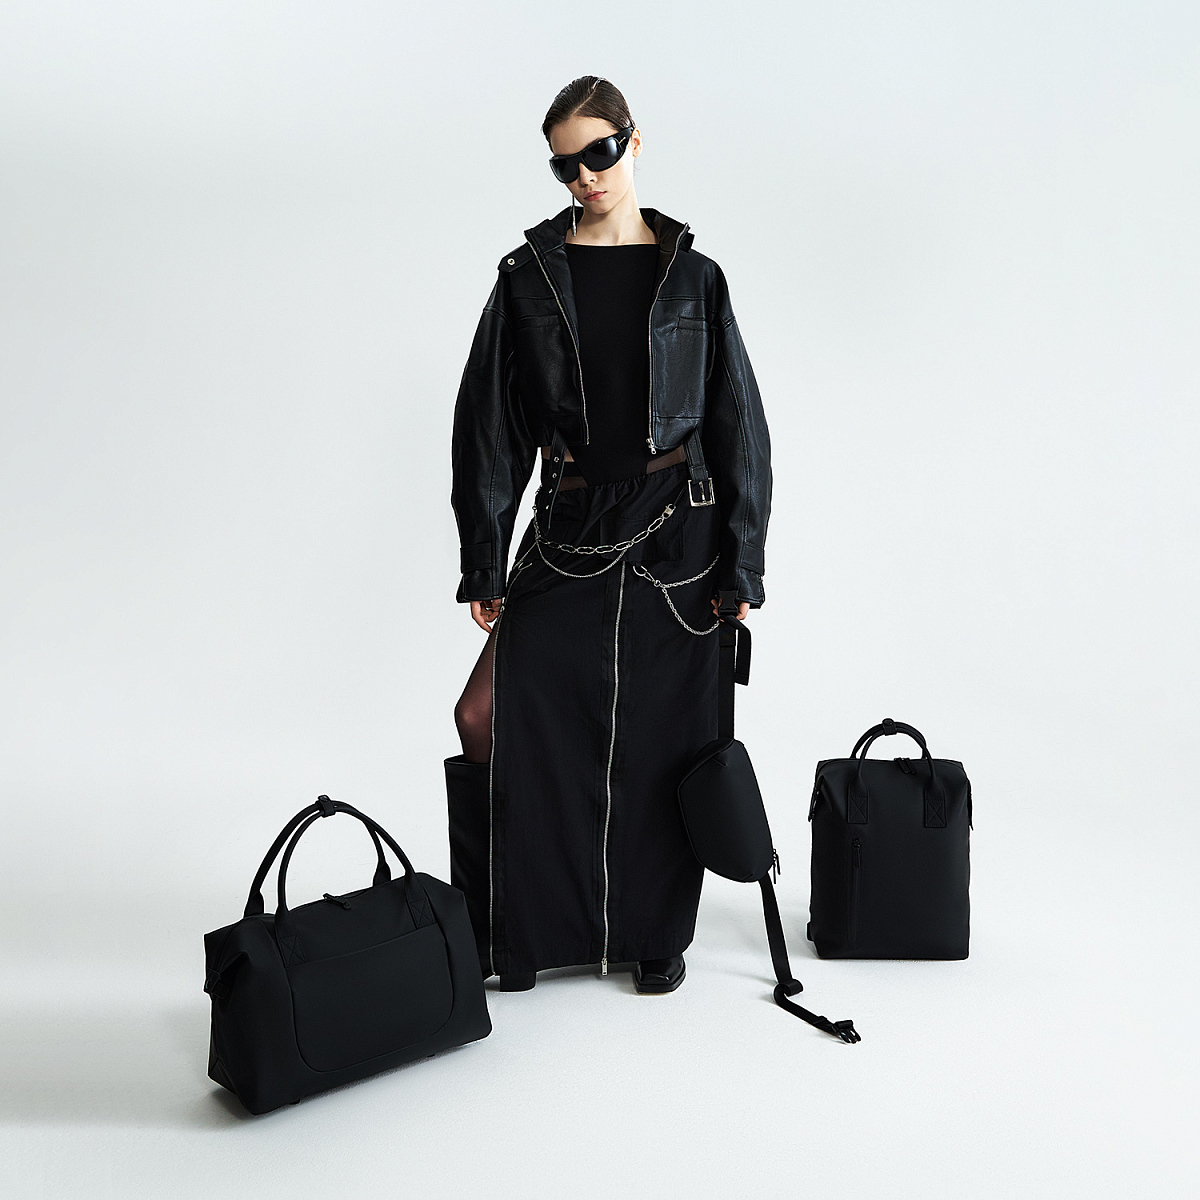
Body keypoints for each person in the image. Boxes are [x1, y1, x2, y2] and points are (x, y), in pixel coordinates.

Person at [443, 76, 772, 996]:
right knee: (489, 716)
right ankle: (513, 931)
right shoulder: (527, 278)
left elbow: (739, 425)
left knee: (664, 737)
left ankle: (653, 935)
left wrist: (743, 560)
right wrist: (484, 556)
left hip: (679, 534)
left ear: (633, 140)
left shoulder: (696, 278)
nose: (585, 175)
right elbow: (488, 427)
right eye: (565, 164)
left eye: (599, 151)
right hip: (570, 527)